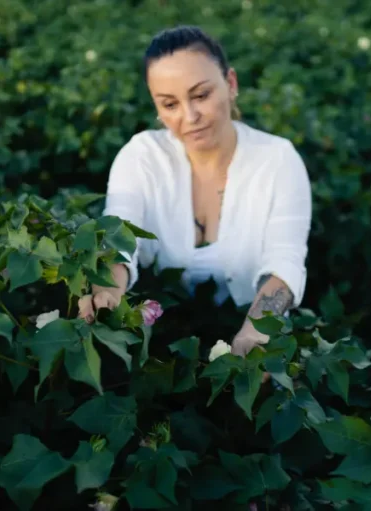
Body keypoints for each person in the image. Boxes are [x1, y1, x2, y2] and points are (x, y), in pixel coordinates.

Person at [77, 25, 312, 357]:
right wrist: (106, 291)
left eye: (201, 95)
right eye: (169, 104)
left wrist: (256, 331)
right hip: (163, 353)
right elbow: (118, 234)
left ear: (230, 84)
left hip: (256, 347)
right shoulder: (142, 156)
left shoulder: (278, 160)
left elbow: (284, 262)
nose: (190, 116)